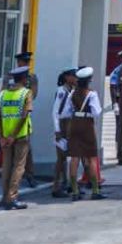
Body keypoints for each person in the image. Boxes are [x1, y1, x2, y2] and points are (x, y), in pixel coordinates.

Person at [0, 65, 33, 210]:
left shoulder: (2, 94)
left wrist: (2, 136)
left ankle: (4, 197)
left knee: (6, 166)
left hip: (5, 136)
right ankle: (12, 197)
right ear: (23, 79)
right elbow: (25, 115)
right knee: (18, 166)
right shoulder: (26, 93)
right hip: (20, 135)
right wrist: (13, 135)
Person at [65, 66, 104, 200]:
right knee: (91, 158)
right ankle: (95, 190)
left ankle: (75, 190)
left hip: (74, 123)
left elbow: (66, 111)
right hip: (87, 124)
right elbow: (96, 112)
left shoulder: (72, 93)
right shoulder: (91, 94)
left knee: (74, 158)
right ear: (89, 80)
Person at [51, 67, 76, 198]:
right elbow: (55, 112)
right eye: (73, 76)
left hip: (69, 124)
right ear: (67, 77)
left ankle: (66, 184)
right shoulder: (61, 91)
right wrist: (57, 130)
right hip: (62, 125)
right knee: (61, 158)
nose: (75, 78)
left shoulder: (71, 91)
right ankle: (56, 186)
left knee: (67, 157)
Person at [15, 51, 39, 188]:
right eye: (24, 62)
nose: (27, 64)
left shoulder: (32, 78)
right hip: (9, 116)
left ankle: (29, 175)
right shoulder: (10, 77)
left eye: (27, 62)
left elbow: (33, 95)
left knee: (26, 148)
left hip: (24, 115)